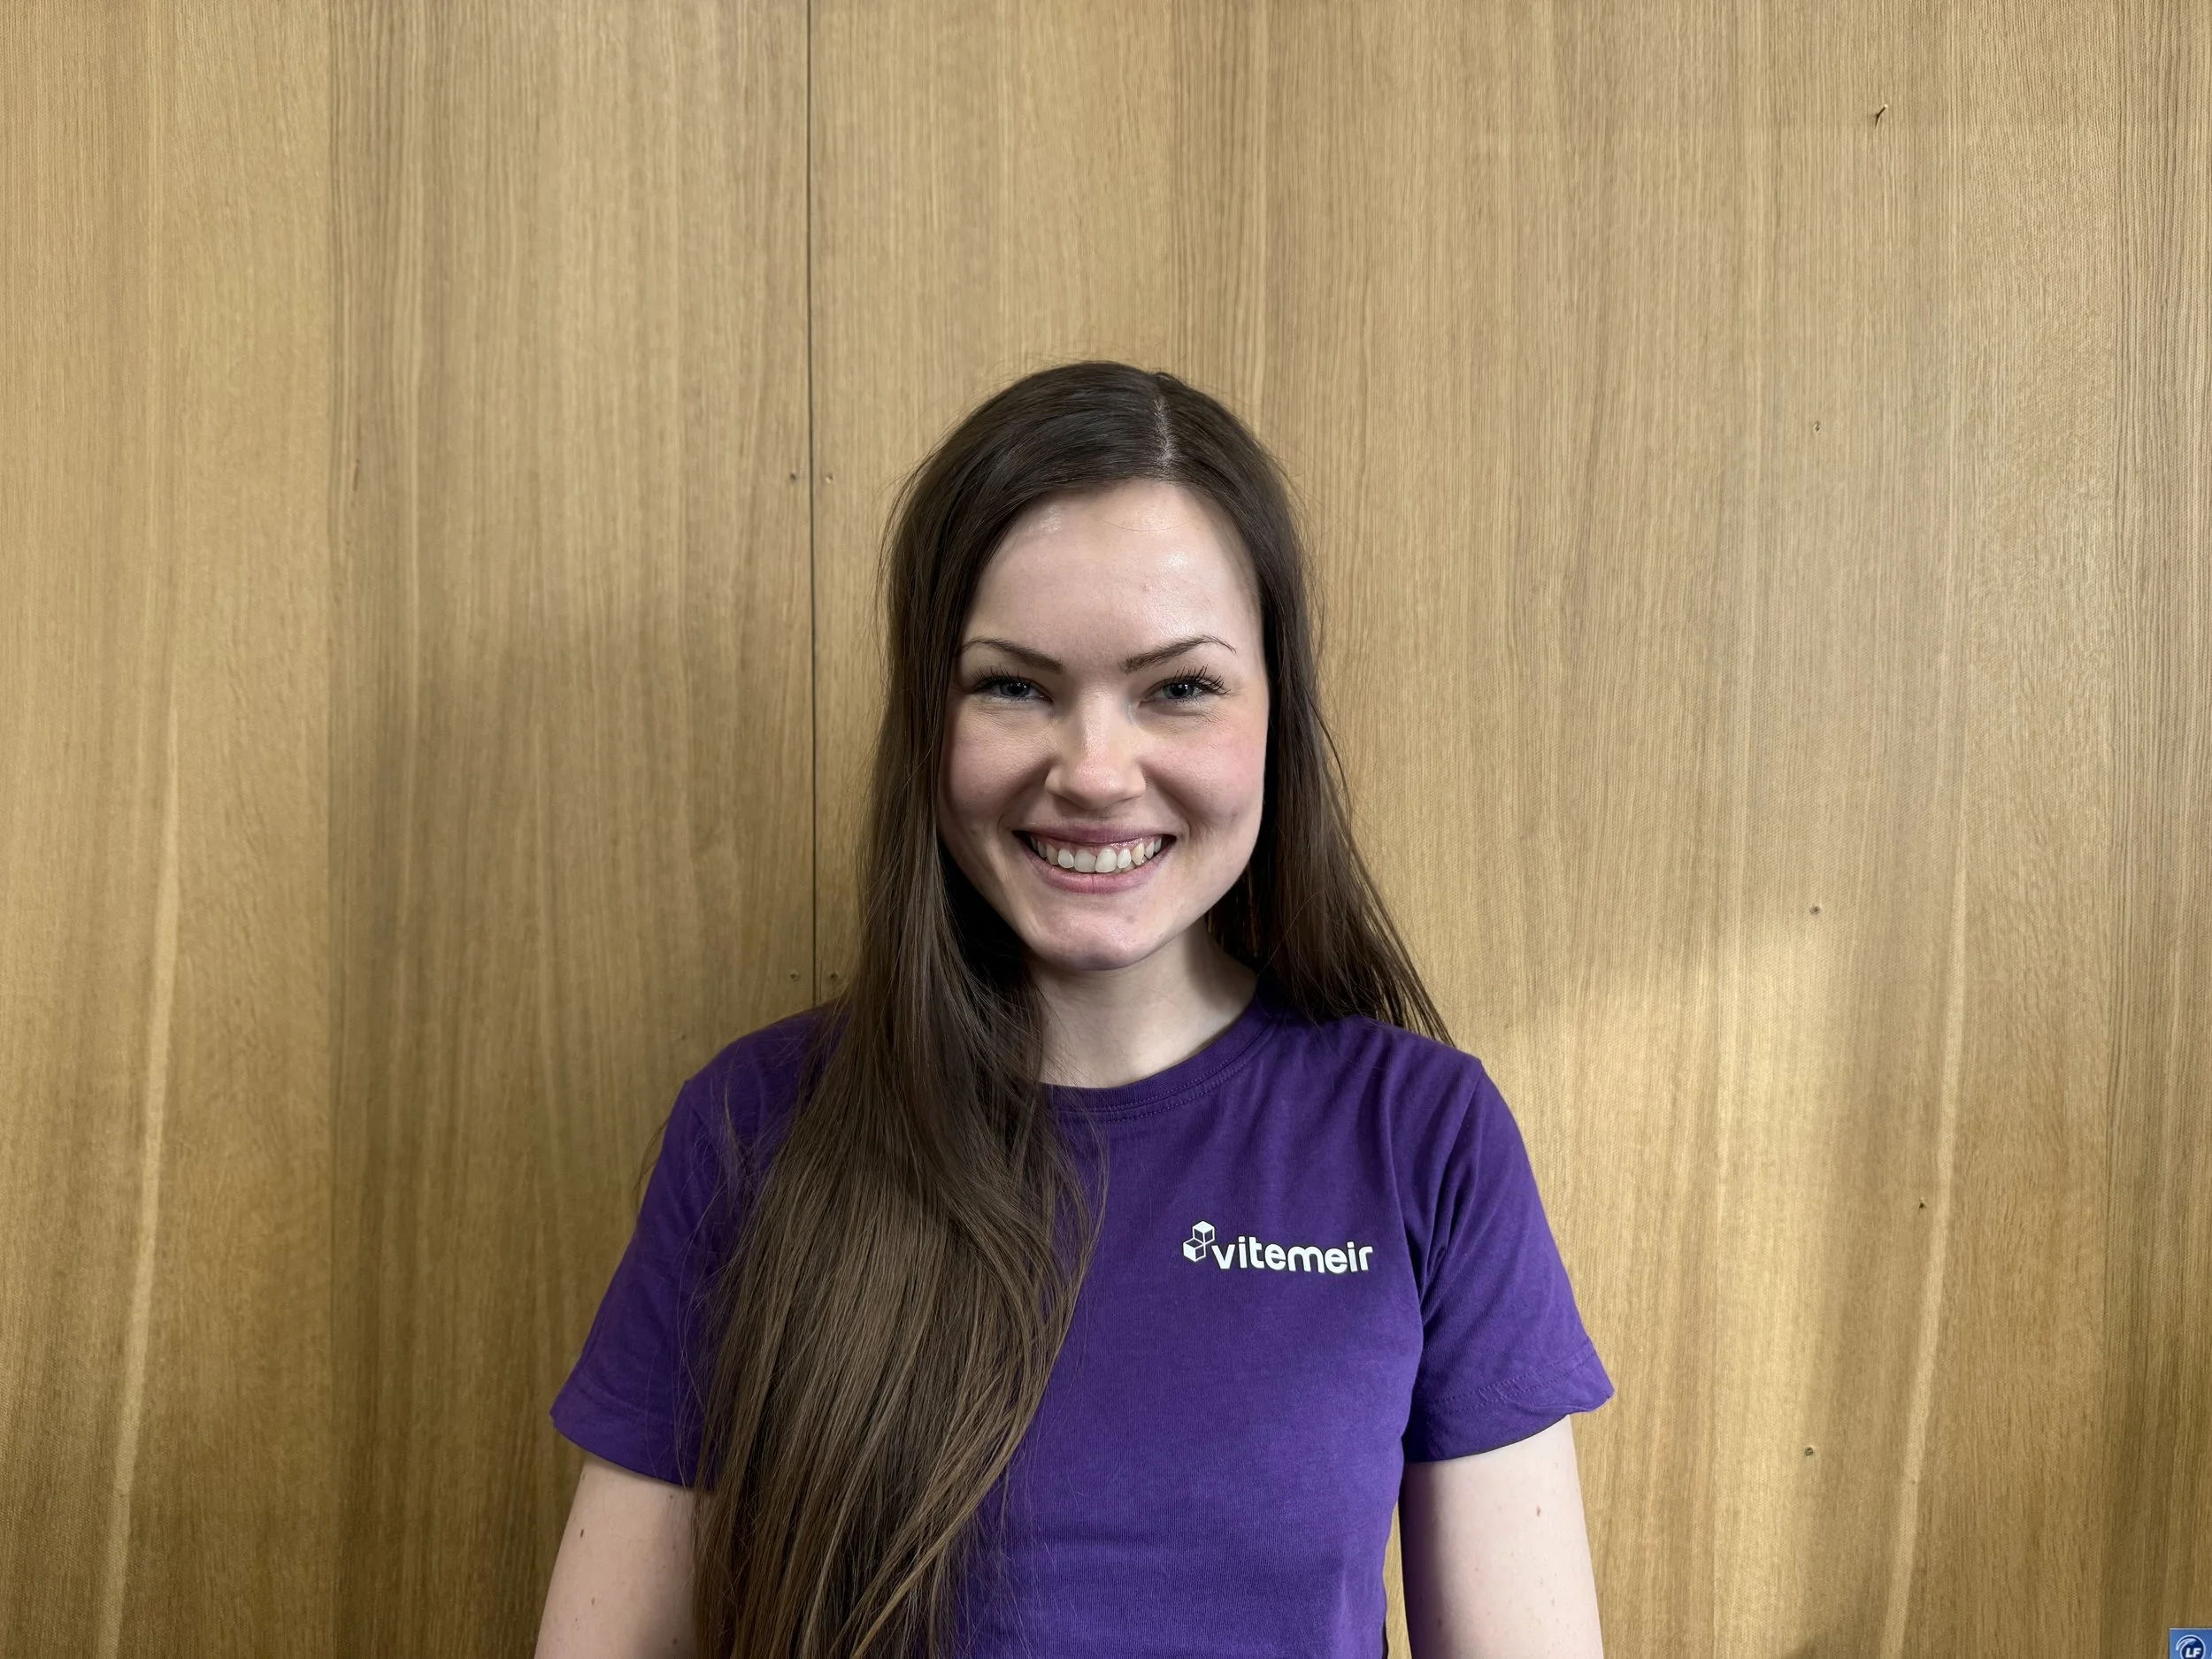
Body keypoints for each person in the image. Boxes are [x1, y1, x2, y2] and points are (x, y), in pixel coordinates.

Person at [534, 361, 1614, 1658]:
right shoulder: (755, 1128)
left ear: (1277, 713)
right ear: (927, 719)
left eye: (1180, 687)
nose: (1095, 771)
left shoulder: (1423, 1137)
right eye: (1014, 686)